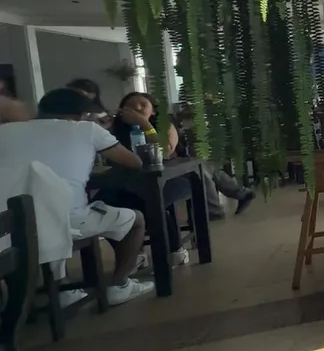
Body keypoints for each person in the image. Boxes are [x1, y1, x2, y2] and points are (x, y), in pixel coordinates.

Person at [0, 88, 154, 304]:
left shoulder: (4, 131)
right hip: (69, 221)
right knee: (136, 220)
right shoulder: (87, 129)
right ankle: (119, 285)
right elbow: (135, 162)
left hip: (9, 227)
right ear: (81, 114)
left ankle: (57, 290)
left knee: (43, 215)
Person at [109, 92, 254, 222]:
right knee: (205, 167)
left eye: (143, 105)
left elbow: (165, 151)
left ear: (153, 110)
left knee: (201, 167)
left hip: (173, 168)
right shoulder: (117, 132)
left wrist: (144, 124)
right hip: (138, 178)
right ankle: (237, 196)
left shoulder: (165, 125)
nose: (137, 108)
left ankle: (218, 209)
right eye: (131, 106)